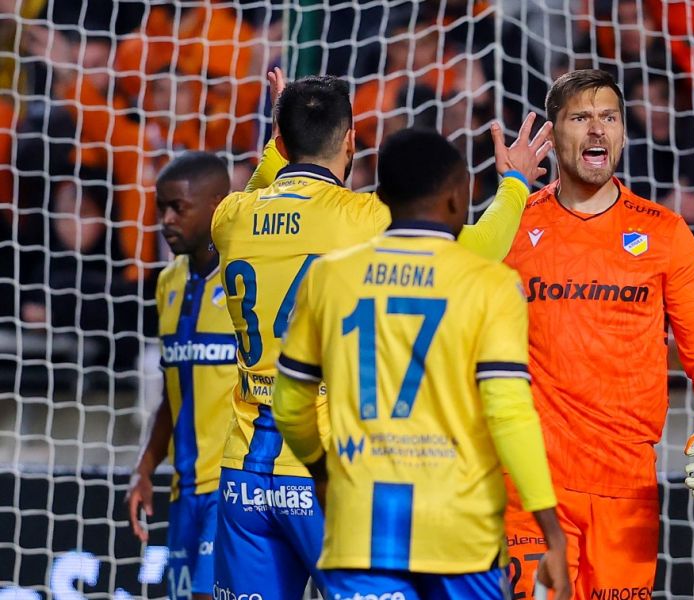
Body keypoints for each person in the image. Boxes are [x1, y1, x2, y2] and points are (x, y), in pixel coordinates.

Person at [210, 74, 552, 599]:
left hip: (244, 474)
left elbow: (261, 186)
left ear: (279, 140)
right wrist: (515, 184)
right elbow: (483, 247)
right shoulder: (365, 218)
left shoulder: (230, 217)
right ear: (351, 139)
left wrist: (280, 139)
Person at [502, 69, 694, 599]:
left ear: (624, 133)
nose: (597, 130)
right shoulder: (512, 227)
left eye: (609, 118)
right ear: (552, 134)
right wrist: (508, 194)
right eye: (581, 118)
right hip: (532, 487)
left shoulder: (665, 233)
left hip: (626, 493)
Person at [126, 152, 235, 600]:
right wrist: (145, 468)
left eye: (178, 208)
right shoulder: (167, 282)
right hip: (183, 491)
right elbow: (174, 392)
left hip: (232, 488)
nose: (166, 220)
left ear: (217, 206)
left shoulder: (245, 281)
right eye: (161, 208)